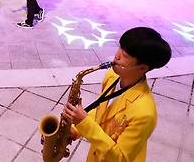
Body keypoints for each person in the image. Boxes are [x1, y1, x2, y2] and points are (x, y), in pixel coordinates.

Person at [62, 27, 171, 162]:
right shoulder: (112, 76)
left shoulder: (145, 113)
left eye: (125, 55)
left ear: (142, 68)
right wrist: (75, 129)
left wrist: (84, 124)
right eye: (120, 47)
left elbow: (121, 158)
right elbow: (103, 111)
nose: (117, 56)